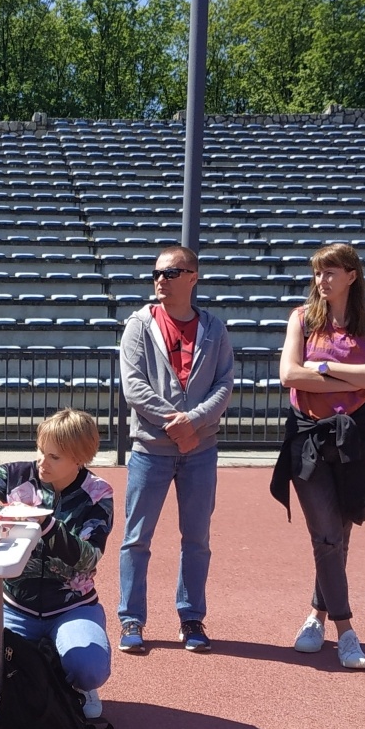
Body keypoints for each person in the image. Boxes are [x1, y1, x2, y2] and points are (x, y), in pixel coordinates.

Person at [0, 409, 114, 720]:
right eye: (41, 451)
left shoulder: (98, 494)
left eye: (55, 457)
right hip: (15, 608)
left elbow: (88, 558)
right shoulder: (16, 475)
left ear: (80, 458)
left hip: (72, 607)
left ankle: (72, 678)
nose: (43, 462)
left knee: (89, 669)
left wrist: (43, 524)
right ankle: (30, 657)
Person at [269, 243, 365, 670]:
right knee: (325, 535)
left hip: (354, 439)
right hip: (307, 438)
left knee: (339, 538)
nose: (321, 281)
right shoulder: (302, 319)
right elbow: (289, 374)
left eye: (330, 273)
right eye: (318, 273)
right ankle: (346, 632)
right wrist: (350, 377)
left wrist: (320, 370)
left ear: (351, 276)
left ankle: (315, 616)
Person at [116, 244, 234, 655]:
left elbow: (224, 386)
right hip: (151, 450)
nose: (160, 280)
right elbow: (134, 388)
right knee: (136, 538)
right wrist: (179, 424)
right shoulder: (138, 325)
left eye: (170, 273)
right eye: (157, 274)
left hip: (201, 451)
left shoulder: (215, 329)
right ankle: (131, 618)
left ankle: (191, 617)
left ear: (192, 277)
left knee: (196, 539)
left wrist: (194, 422)